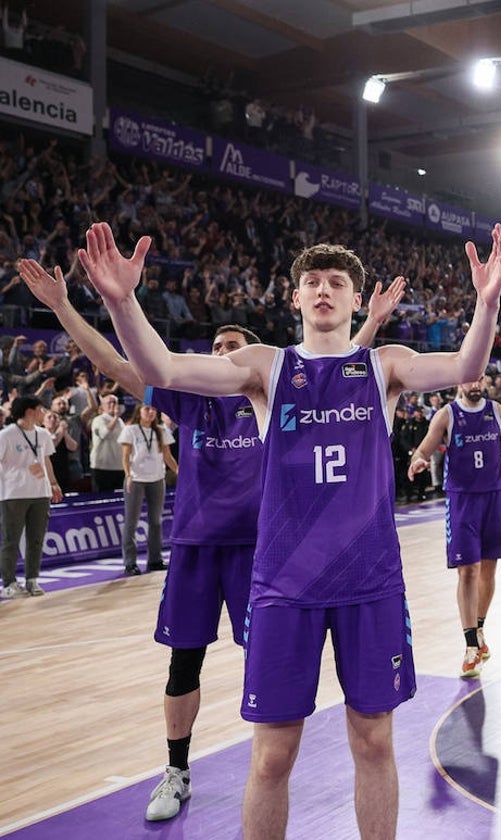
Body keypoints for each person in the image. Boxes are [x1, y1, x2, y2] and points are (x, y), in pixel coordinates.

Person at [80, 219, 501, 840]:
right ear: (296, 298)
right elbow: (163, 369)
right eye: (313, 282)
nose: (324, 290)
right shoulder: (264, 368)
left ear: (357, 299)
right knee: (272, 755)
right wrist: (122, 301)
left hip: (370, 583)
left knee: (373, 744)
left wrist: (487, 302)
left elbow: (468, 361)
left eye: (336, 282)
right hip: (285, 586)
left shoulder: (384, 365)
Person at [17, 254, 404, 822]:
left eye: (229, 347)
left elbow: (339, 367)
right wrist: (66, 308)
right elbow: (129, 365)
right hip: (199, 549)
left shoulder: (272, 393)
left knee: (278, 714)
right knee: (185, 666)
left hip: (268, 558)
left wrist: (367, 323)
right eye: (215, 348)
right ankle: (176, 767)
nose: (220, 355)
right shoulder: (196, 404)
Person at [408, 374, 501, 678]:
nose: (475, 383)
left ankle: (479, 629)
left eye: (479, 377)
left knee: (488, 569)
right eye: (469, 379)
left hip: (495, 497)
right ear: (459, 382)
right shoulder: (447, 415)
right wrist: (417, 460)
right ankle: (469, 646)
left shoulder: (498, 411)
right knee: (468, 570)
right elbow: (424, 448)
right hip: (463, 501)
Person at [0, 396, 62, 598]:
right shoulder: (6, 435)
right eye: (40, 409)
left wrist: (53, 483)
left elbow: (46, 460)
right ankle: (9, 582)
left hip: (40, 493)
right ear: (29, 412)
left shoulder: (42, 434)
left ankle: (32, 579)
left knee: (36, 539)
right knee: (11, 540)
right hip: (14, 494)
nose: (43, 412)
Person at [119, 403, 178, 574]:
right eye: (147, 409)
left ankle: (155, 559)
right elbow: (125, 456)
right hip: (136, 478)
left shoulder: (161, 430)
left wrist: (177, 470)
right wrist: (128, 474)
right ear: (139, 412)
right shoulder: (131, 430)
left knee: (156, 521)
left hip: (157, 478)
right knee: (132, 521)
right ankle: (130, 562)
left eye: (153, 410)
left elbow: (167, 455)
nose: (151, 412)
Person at [89, 393, 127, 491]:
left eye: (114, 402)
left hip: (119, 466)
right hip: (102, 467)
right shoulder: (98, 420)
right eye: (109, 403)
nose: (112, 405)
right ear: (102, 406)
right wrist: (115, 418)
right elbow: (104, 434)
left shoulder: (120, 421)